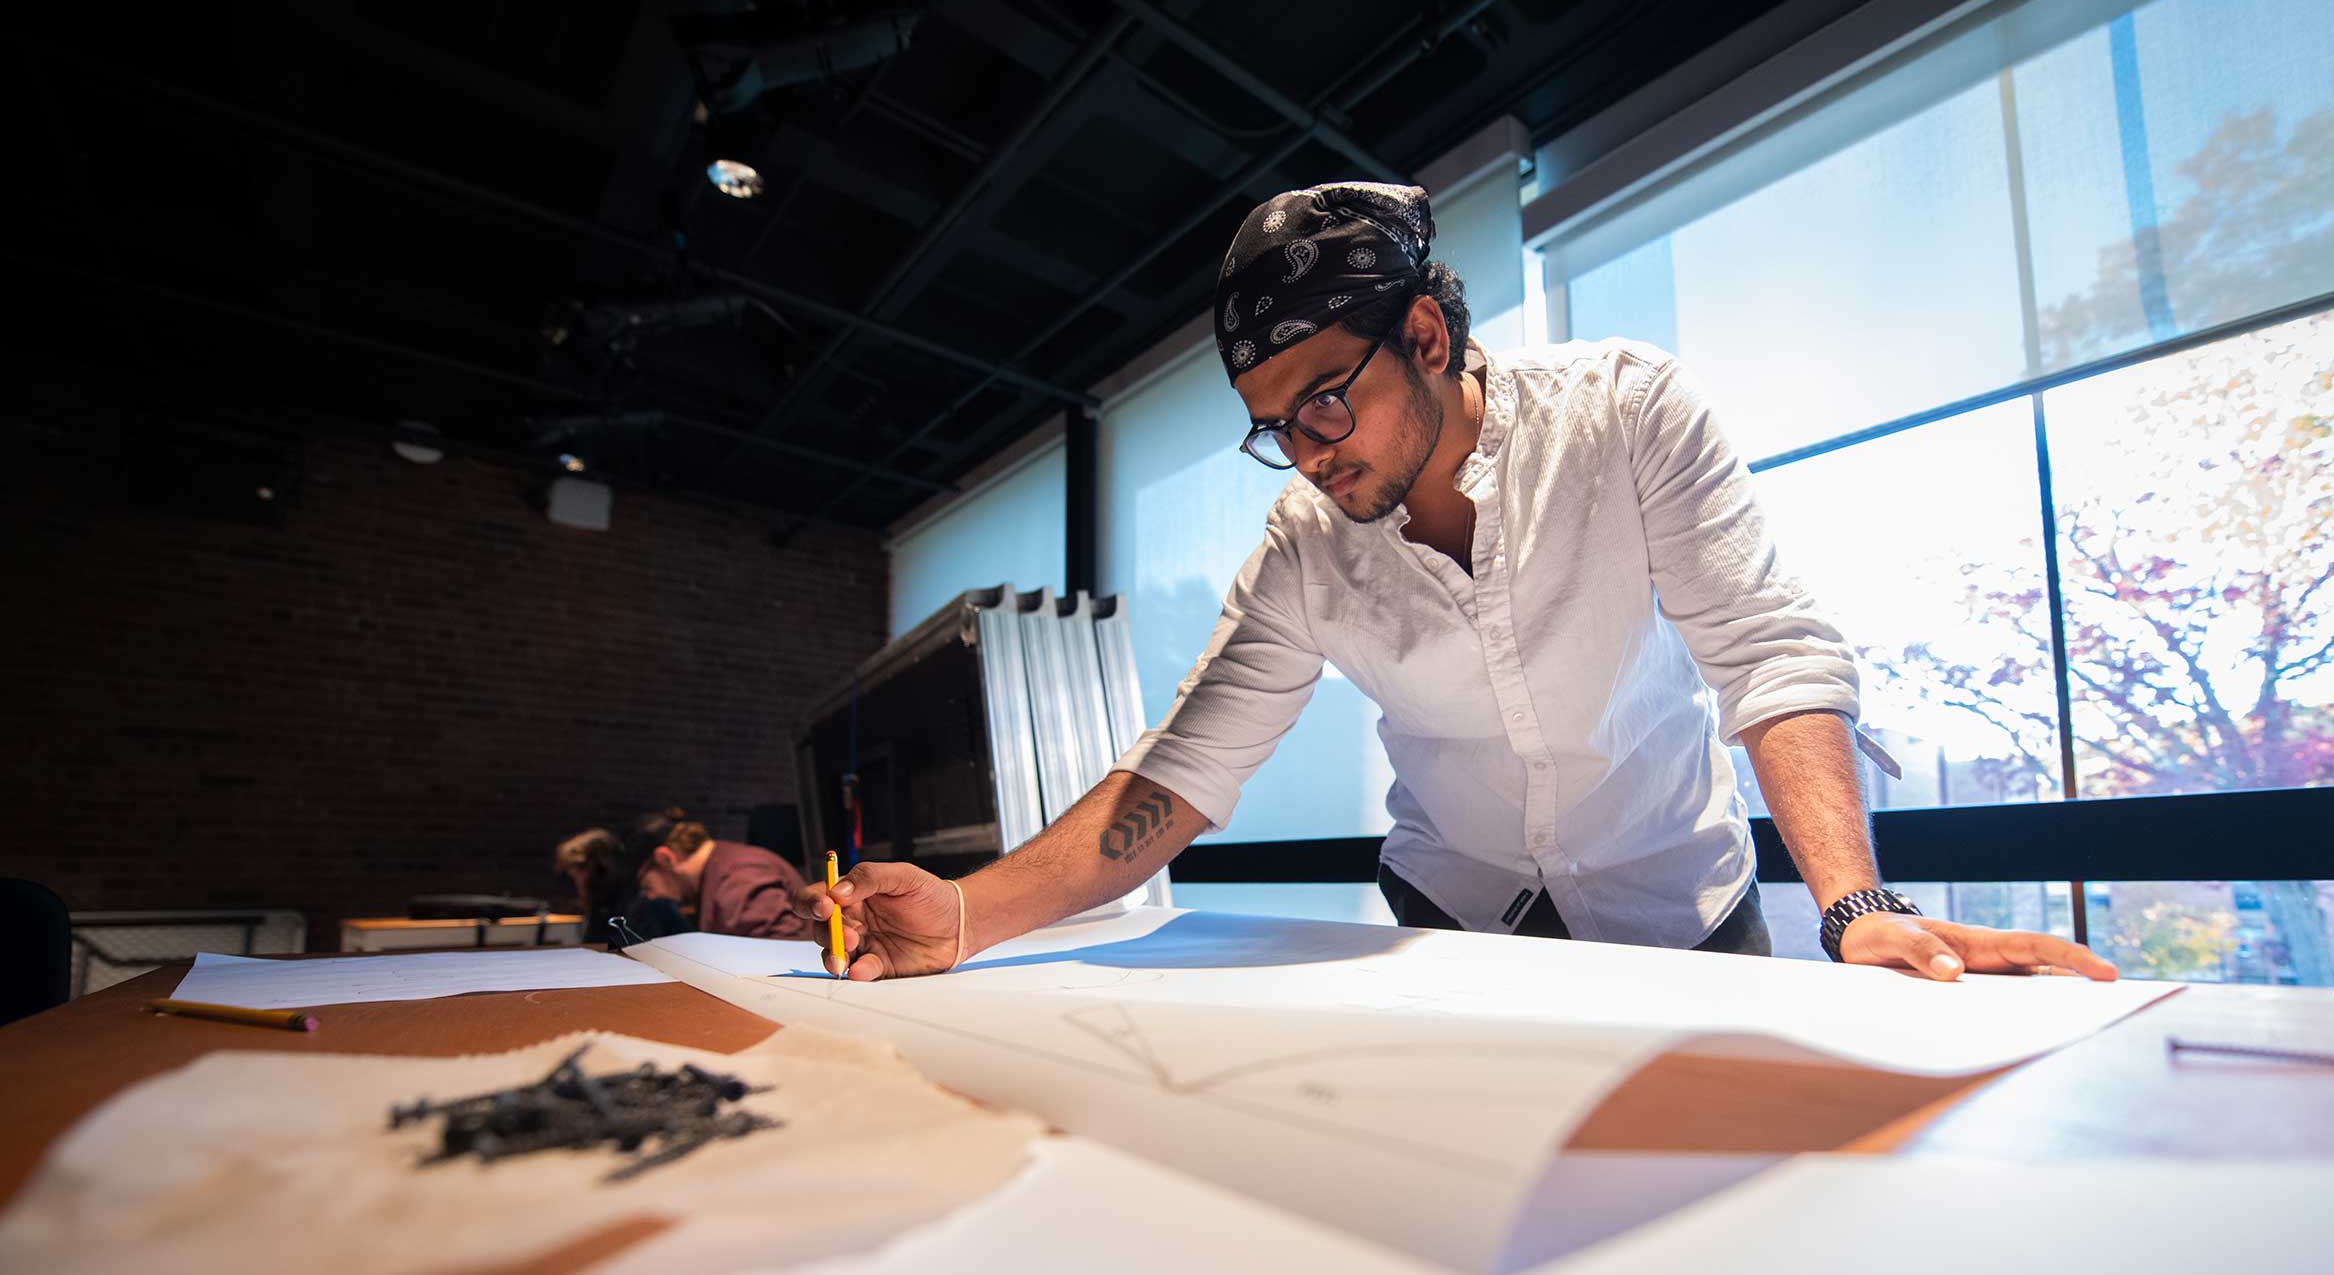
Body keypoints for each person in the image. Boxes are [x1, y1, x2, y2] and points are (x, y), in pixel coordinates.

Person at [809, 181, 2114, 985]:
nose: (1311, 454)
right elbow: (1178, 777)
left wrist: (1857, 905)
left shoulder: (1626, 412)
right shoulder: (1300, 547)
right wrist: (971, 914)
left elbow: (1766, 653)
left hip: (1679, 899)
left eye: (1327, 399)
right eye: (1277, 423)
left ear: (1425, 334)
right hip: (1455, 913)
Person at [629, 808, 807, 940]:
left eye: (646, 886)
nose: (650, 896)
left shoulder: (738, 875)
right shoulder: (722, 865)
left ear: (665, 858)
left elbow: (783, 945)